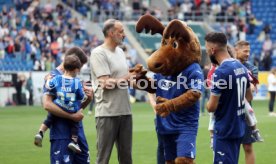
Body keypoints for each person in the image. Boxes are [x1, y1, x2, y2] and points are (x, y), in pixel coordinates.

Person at [90, 19, 141, 164]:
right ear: (111, 33)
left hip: (125, 111)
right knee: (103, 159)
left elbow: (127, 80)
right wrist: (128, 77)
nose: (124, 34)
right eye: (121, 31)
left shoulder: (120, 52)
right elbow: (105, 83)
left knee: (126, 158)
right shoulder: (98, 53)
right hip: (107, 113)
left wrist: (148, 85)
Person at [34, 47, 92, 164]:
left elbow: (76, 108)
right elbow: (47, 105)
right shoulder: (53, 76)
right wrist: (72, 117)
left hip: (77, 132)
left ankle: (41, 131)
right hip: (61, 133)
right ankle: (41, 132)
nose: (79, 71)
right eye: (79, 68)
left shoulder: (74, 79)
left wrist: (89, 98)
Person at [205, 32, 252, 164]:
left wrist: (207, 104)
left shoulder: (220, 72)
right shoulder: (240, 67)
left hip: (225, 129)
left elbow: (211, 107)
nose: (208, 52)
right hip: (238, 126)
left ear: (213, 50)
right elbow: (249, 96)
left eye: (207, 49)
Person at [235, 40, 264, 164]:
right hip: (228, 112)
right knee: (231, 147)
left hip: (245, 113)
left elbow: (251, 89)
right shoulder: (226, 65)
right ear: (236, 50)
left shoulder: (252, 68)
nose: (248, 54)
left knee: (248, 147)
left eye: (249, 51)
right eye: (245, 51)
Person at [147, 93, 165, 164]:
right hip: (160, 115)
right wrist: (155, 107)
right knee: (162, 145)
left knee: (179, 146)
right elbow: (150, 92)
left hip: (178, 115)